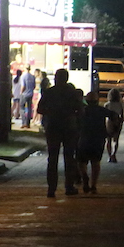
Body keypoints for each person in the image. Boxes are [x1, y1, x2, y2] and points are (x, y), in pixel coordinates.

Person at [36, 69, 84, 198]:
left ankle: (51, 189)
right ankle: (69, 186)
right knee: (69, 158)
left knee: (52, 158)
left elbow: (40, 109)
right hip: (69, 127)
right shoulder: (72, 93)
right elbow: (80, 110)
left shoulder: (49, 92)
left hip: (52, 127)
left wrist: (51, 112)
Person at [77, 90, 119, 194]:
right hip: (98, 139)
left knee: (81, 162)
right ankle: (93, 185)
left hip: (83, 138)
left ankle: (84, 177)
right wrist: (114, 130)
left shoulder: (82, 111)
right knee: (95, 163)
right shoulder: (101, 110)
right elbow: (115, 116)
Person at [104, 87, 124, 163]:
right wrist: (120, 124)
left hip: (109, 122)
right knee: (116, 140)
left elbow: (104, 115)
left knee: (108, 140)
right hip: (117, 122)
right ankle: (114, 154)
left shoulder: (107, 104)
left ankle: (110, 156)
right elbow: (121, 115)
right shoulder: (120, 104)